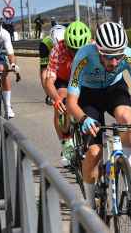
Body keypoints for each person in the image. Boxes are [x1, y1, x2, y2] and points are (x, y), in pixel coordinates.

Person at [66, 21, 131, 208]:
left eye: (118, 56)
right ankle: (90, 206)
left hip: (114, 89)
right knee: (94, 152)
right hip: (88, 96)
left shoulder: (129, 56)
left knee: (127, 120)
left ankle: (128, 171)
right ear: (98, 49)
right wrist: (83, 118)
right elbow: (71, 102)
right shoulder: (84, 56)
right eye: (108, 56)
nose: (115, 62)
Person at [44, 24, 80, 166]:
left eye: (79, 50)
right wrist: (57, 100)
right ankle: (66, 144)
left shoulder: (92, 46)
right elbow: (48, 82)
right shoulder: (57, 49)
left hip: (83, 79)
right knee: (61, 101)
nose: (76, 53)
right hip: (64, 80)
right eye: (72, 49)